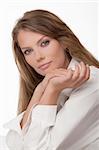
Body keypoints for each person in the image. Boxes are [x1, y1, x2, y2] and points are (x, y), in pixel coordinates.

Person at [4, 9, 99, 150]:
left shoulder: (92, 82)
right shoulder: (50, 82)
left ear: (64, 41)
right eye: (28, 51)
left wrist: (51, 90)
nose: (38, 57)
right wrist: (40, 89)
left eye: (44, 43)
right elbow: (14, 142)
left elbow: (37, 148)